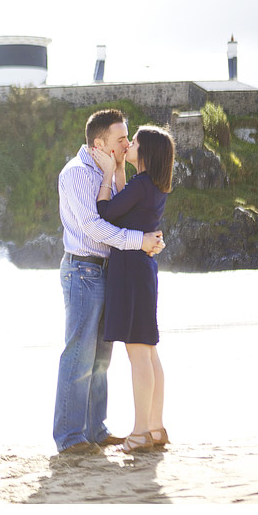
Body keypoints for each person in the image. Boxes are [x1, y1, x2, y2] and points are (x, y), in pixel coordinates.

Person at [54, 109, 165, 455]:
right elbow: (95, 226)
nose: (125, 144)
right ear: (99, 143)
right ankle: (71, 437)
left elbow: (126, 211)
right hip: (83, 270)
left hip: (110, 271)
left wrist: (150, 238)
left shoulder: (110, 172)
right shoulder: (76, 174)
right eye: (121, 139)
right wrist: (140, 241)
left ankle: (95, 430)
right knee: (79, 354)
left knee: (102, 359)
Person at [92, 125, 175, 454]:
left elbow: (108, 212)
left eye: (135, 141)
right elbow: (129, 209)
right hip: (143, 270)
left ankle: (140, 432)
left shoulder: (142, 185)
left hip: (130, 271)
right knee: (149, 350)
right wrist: (122, 170)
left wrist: (107, 175)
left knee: (138, 352)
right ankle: (155, 427)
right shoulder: (153, 185)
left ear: (147, 151)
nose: (130, 143)